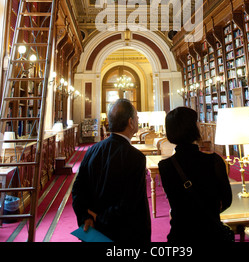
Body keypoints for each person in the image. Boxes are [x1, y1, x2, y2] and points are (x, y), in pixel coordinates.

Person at [72, 99, 151, 243]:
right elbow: (129, 203)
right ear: (131, 122)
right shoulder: (135, 157)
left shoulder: (91, 150)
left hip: (94, 232)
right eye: (137, 117)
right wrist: (100, 218)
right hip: (126, 234)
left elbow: (77, 190)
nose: (138, 120)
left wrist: (86, 217)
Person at [158, 107, 232, 243]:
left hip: (180, 235)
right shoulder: (214, 161)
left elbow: (173, 200)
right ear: (193, 129)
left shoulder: (164, 166)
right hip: (212, 235)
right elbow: (227, 201)